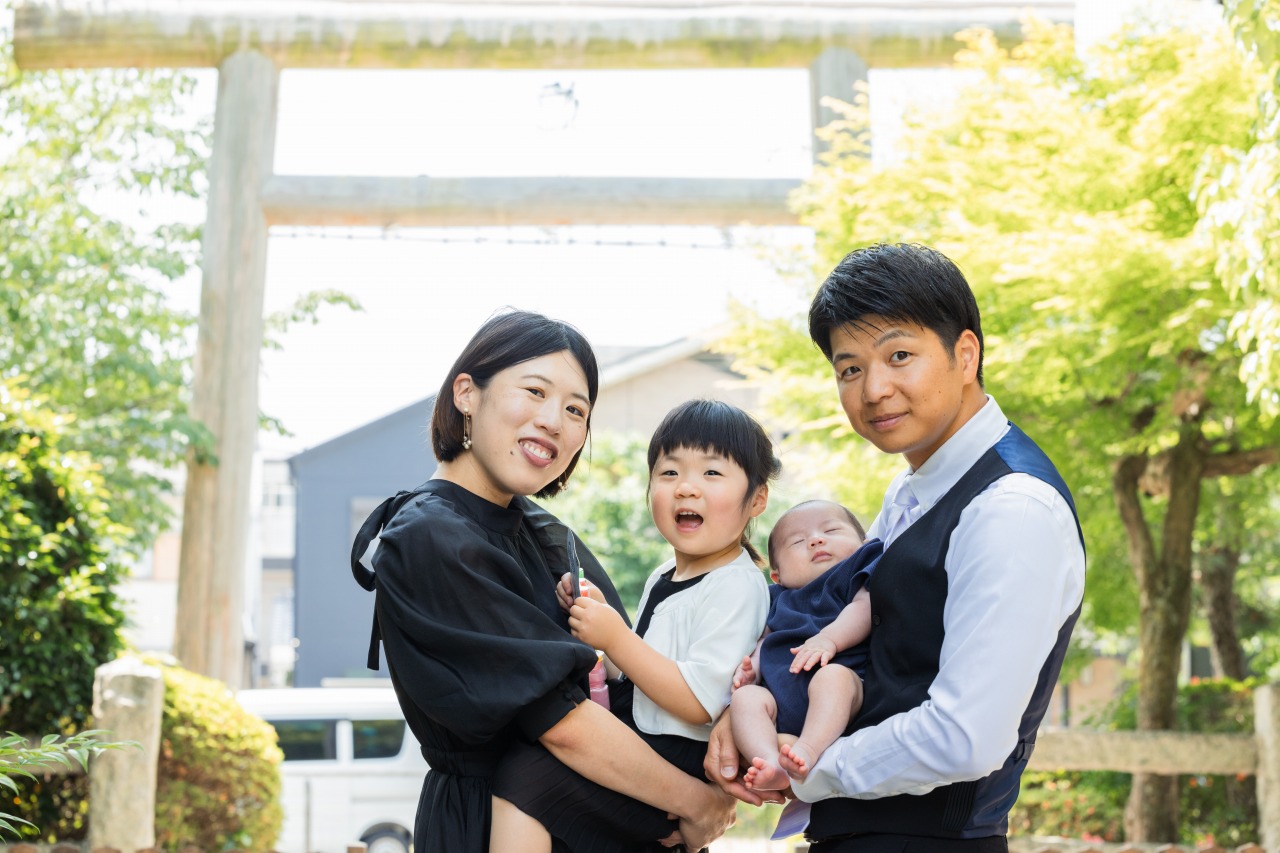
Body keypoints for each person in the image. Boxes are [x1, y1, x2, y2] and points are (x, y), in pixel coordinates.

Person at [704, 243, 1087, 851]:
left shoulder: (1012, 507)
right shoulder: (915, 488)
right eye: (849, 369)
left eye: (899, 356)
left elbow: (966, 737)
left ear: (965, 354)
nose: (874, 389)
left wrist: (807, 771)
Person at [349, 310, 738, 853]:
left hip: (601, 815)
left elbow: (634, 679)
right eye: (534, 391)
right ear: (467, 393)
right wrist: (697, 804)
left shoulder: (546, 532)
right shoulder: (431, 536)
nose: (554, 420)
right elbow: (561, 722)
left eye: (575, 409)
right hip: (490, 820)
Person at [489, 398, 779, 853]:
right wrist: (601, 621)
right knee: (527, 769)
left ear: (757, 498)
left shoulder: (737, 585)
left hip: (676, 757)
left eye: (712, 473)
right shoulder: (664, 574)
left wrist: (616, 638)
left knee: (525, 780)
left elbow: (699, 701)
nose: (686, 488)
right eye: (669, 473)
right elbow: (644, 678)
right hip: (639, 734)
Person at [729, 499, 868, 793]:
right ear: (777, 575)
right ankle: (771, 762)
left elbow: (864, 608)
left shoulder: (855, 572)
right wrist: (751, 669)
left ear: (864, 542)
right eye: (797, 541)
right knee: (746, 699)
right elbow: (764, 639)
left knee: (833, 678)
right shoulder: (776, 597)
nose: (817, 540)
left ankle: (806, 749)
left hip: (843, 692)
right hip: (780, 703)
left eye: (831, 530)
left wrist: (829, 639)